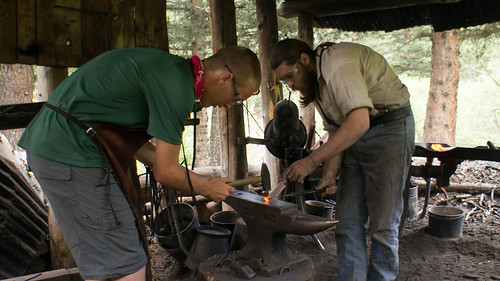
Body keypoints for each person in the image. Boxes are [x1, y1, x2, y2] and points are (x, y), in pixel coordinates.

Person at [18, 46, 261, 281]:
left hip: (60, 148)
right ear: (225, 78)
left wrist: (201, 180)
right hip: (70, 151)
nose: (229, 105)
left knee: (111, 262)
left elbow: (135, 145)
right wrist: (206, 189)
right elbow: (165, 172)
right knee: (128, 267)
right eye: (237, 98)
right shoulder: (178, 87)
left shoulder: (173, 71)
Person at [270, 39, 415, 281]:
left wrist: (311, 161)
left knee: (382, 225)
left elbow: (359, 122)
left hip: (389, 129)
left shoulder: (338, 65)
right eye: (285, 81)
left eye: (289, 76)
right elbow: (338, 129)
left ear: (304, 60)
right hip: (355, 134)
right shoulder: (315, 84)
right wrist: (329, 173)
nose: (291, 85)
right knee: (347, 224)